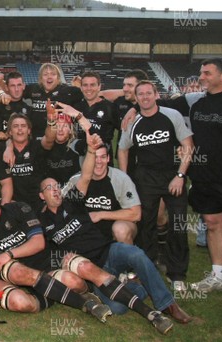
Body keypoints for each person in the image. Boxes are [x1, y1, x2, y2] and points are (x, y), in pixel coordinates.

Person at [36, 130, 191, 333]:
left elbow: (86, 175)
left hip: (108, 250)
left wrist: (91, 149)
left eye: (57, 186)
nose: (55, 190)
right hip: (93, 269)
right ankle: (138, 285)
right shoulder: (42, 223)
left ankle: (167, 304)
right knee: (117, 308)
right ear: (41, 196)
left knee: (136, 254)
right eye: (49, 188)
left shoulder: (72, 202)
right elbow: (41, 251)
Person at [164, 58, 222, 312]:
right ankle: (219, 275)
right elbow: (162, 105)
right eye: (201, 72)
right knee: (213, 225)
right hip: (204, 179)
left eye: (207, 73)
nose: (201, 76)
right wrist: (130, 109)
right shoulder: (195, 100)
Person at [0, 188, 112, 322]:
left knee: (73, 281)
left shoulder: (16, 209)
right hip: (25, 276)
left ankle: (87, 294)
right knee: (20, 300)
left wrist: (9, 253)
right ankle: (69, 298)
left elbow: (38, 243)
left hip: (45, 264)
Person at [118, 80, 193, 291]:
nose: (144, 97)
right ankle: (148, 267)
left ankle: (177, 273)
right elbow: (122, 149)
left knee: (178, 225)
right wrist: (125, 177)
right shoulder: (133, 121)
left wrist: (180, 175)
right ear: (137, 97)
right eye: (140, 94)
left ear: (155, 94)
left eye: (148, 93)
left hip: (172, 176)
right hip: (146, 177)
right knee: (146, 224)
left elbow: (188, 145)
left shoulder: (172, 115)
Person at [67, 144, 140, 244]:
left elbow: (136, 214)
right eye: (95, 157)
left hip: (115, 228)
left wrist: (100, 215)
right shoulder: (76, 180)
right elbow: (63, 208)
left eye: (103, 157)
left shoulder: (120, 179)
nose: (99, 162)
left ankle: (126, 257)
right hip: (88, 231)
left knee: (121, 230)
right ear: (87, 160)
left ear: (108, 158)